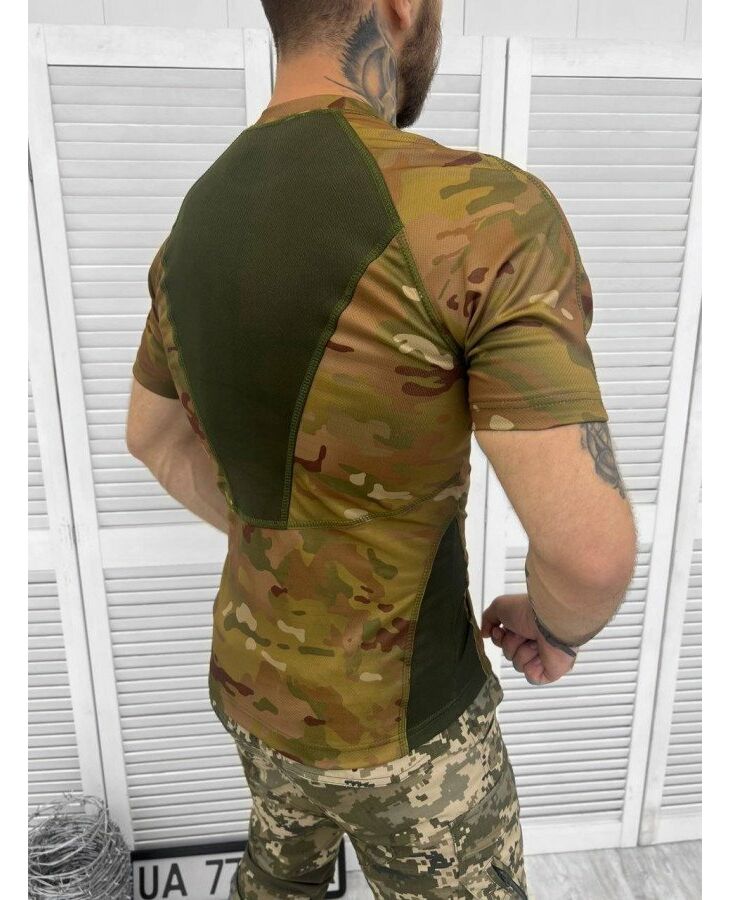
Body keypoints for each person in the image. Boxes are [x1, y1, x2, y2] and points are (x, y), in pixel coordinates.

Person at [125, 1, 638, 896]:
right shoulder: (484, 212)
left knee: (277, 884)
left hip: (252, 696)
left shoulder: (189, 230)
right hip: (410, 733)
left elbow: (152, 435)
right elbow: (589, 553)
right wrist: (554, 626)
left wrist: (289, 539)